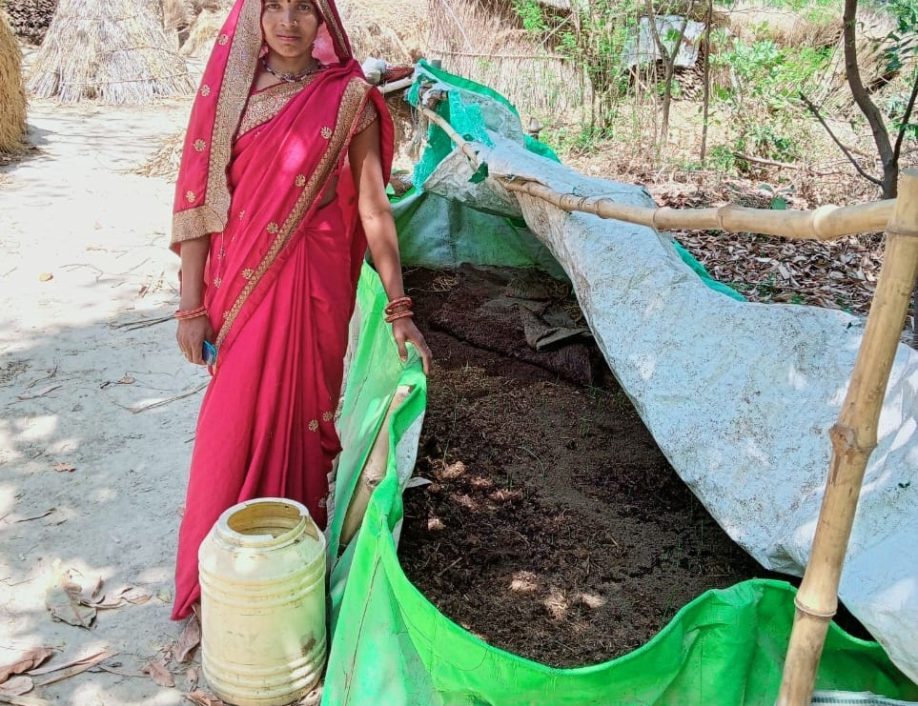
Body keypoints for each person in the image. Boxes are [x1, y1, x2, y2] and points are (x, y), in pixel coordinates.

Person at [169, 0, 431, 621]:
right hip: (239, 294)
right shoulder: (228, 95)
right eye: (275, 6)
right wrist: (189, 305)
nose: (289, 20)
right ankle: (218, 585)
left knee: (301, 425)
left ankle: (286, 583)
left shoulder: (347, 99)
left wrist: (400, 310)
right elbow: (199, 200)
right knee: (227, 431)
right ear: (255, 18)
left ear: (325, 22)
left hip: (313, 288)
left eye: (304, 8)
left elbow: (373, 209)